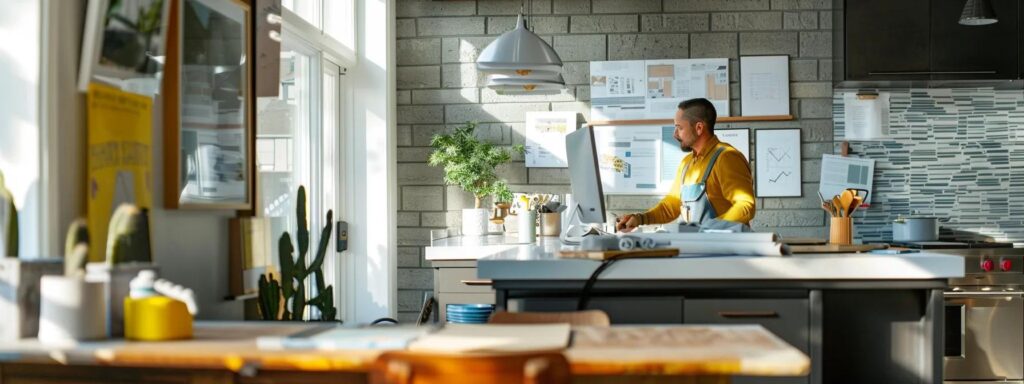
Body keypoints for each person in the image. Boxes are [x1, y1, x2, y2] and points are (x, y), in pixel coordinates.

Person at [615, 98, 755, 232]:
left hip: (728, 249)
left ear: (699, 128)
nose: (675, 134)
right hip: (701, 246)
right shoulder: (687, 163)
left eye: (679, 128)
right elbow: (671, 206)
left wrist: (708, 231)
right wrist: (639, 219)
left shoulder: (726, 157)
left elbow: (745, 206)